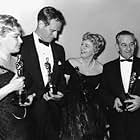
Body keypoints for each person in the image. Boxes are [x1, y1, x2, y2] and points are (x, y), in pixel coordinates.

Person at [20, 6, 66, 140]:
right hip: (27, 117)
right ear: (41, 24)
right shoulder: (20, 45)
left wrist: (60, 95)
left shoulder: (59, 50)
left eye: (58, 31)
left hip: (53, 116)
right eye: (52, 31)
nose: (56, 36)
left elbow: (61, 80)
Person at [62, 32, 106, 140]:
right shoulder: (70, 63)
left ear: (95, 50)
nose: (82, 48)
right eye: (82, 44)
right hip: (71, 112)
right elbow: (62, 88)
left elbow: (100, 94)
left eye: (86, 46)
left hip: (92, 114)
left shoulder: (101, 69)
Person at [99, 30, 140, 140]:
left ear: (135, 44)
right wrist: (112, 101)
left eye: (131, 44)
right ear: (117, 47)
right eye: (124, 45)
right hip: (117, 123)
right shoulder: (108, 68)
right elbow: (102, 92)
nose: (128, 48)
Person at [0, 15, 35, 140]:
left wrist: (29, 96)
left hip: (21, 124)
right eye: (15, 37)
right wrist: (10, 88)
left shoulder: (18, 61)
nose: (21, 41)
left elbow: (27, 87)